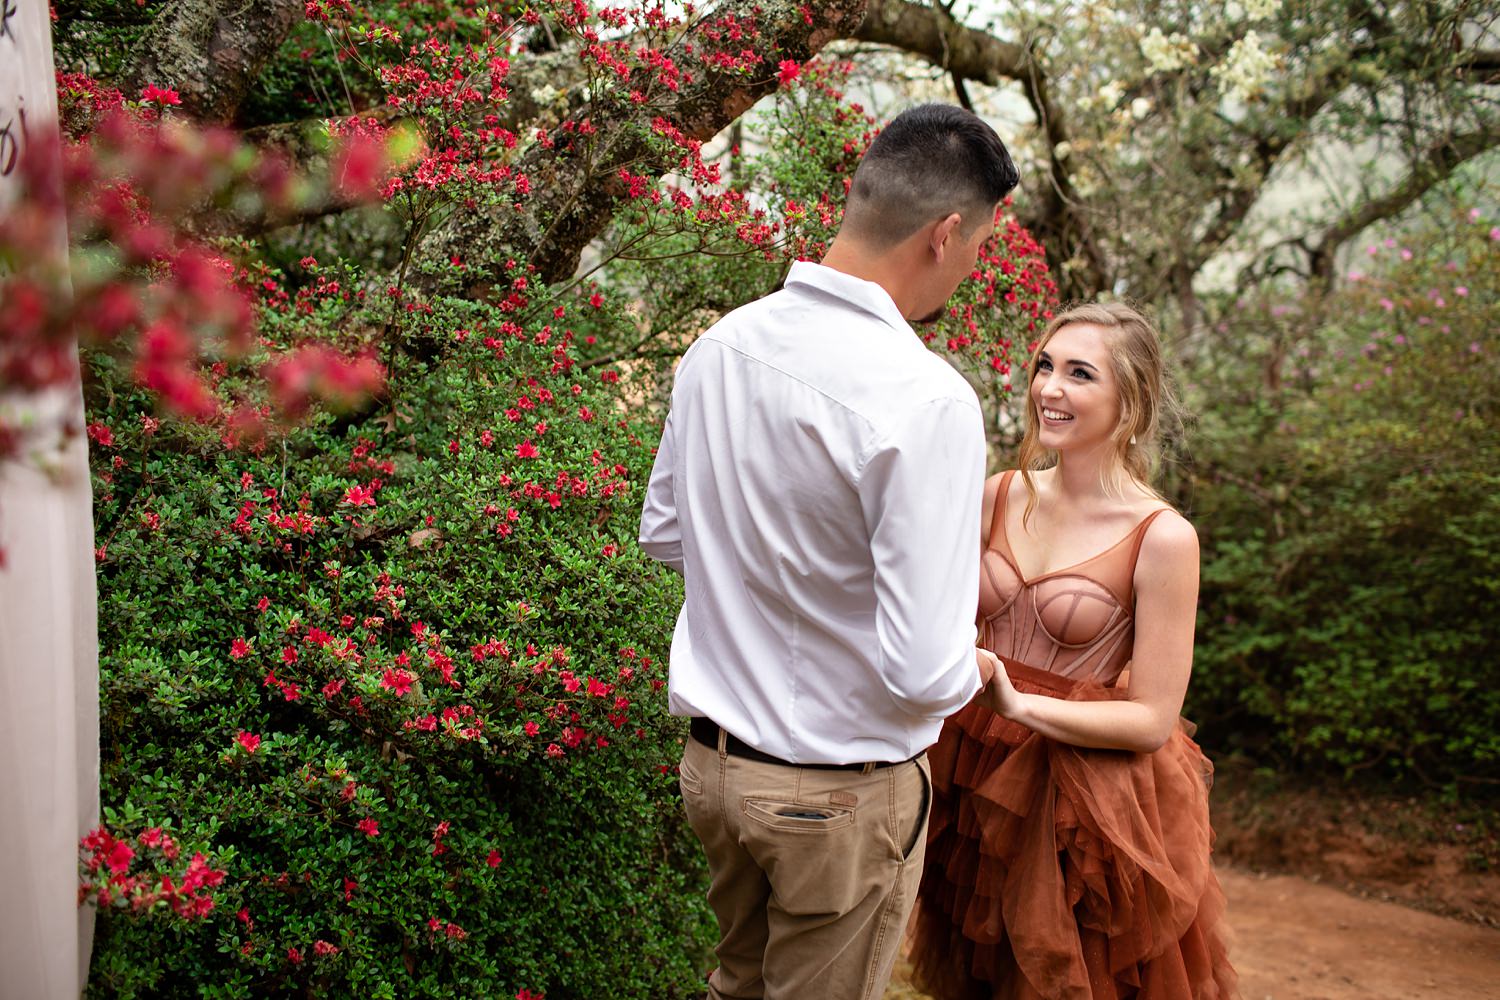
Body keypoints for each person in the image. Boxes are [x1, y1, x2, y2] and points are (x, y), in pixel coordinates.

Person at [638, 103, 1019, 1000]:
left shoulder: (720, 346)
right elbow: (928, 670)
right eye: (978, 247)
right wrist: (979, 670)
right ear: (946, 232)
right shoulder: (925, 398)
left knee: (735, 985)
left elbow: (664, 533)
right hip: (834, 794)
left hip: (715, 774)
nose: (970, 268)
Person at [908, 301, 1238, 999]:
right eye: (1045, 367)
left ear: (1132, 403)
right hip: (965, 762)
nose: (1049, 389)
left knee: (1059, 974)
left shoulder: (1163, 537)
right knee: (972, 969)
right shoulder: (1000, 495)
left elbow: (1151, 719)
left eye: (1079, 374)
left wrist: (1017, 703)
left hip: (1078, 795)